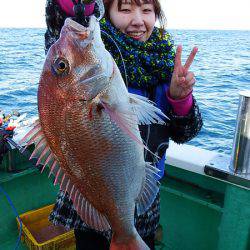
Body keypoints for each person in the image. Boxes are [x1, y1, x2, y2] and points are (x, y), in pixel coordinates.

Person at [44, 0, 203, 249]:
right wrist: (74, 5)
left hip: (140, 202)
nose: (138, 20)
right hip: (88, 201)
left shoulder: (165, 68)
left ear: (156, 16)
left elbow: (186, 133)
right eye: (125, 9)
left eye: (147, 10)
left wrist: (180, 99)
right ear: (107, 13)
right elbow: (61, 36)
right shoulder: (100, 51)